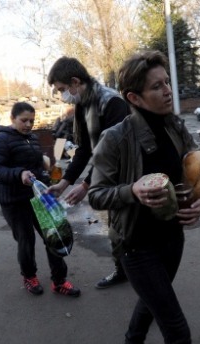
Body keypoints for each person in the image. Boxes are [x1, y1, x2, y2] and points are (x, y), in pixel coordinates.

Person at [88, 50, 200, 344]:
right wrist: (133, 190)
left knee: (154, 297)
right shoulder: (115, 138)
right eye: (156, 87)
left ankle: (132, 339)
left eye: (167, 83)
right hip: (136, 245)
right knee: (176, 329)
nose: (167, 91)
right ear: (133, 97)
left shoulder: (176, 126)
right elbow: (96, 195)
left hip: (172, 239)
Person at [46, 56, 131, 289]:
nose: (62, 94)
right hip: (108, 178)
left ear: (75, 81)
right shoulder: (83, 104)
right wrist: (65, 182)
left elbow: (114, 153)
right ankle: (123, 270)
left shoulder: (111, 103)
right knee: (116, 230)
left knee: (131, 230)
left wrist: (85, 186)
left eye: (63, 89)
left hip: (130, 176)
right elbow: (84, 149)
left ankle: (147, 277)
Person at [0, 102, 80, 297]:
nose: (28, 125)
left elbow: (38, 168)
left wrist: (50, 185)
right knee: (26, 241)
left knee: (54, 235)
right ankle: (29, 276)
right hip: (15, 201)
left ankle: (59, 280)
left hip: (40, 198)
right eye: (24, 120)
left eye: (31, 121)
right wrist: (19, 174)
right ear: (12, 119)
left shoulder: (33, 139)